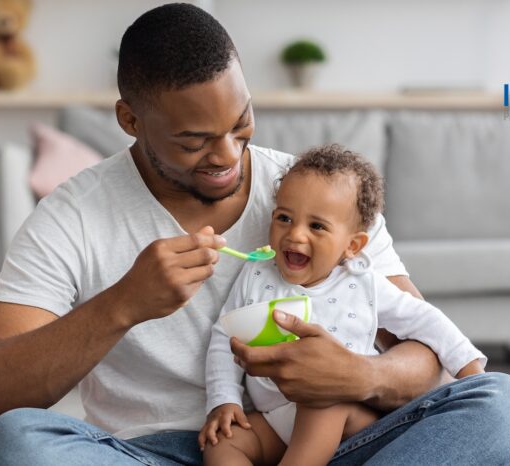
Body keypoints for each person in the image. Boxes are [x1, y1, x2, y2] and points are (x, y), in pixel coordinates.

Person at [0, 3, 510, 465]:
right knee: (18, 444)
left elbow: (424, 353)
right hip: (149, 453)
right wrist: (122, 305)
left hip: (332, 439)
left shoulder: (314, 194)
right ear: (130, 120)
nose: (227, 156)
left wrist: (358, 375)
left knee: (504, 407)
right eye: (194, 141)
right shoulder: (73, 217)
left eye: (240, 125)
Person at [200, 145, 487, 466]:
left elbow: (425, 320)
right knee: (223, 441)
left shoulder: (363, 283)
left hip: (344, 417)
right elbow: (225, 338)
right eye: (284, 217)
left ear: (352, 245)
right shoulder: (256, 273)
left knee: (322, 400)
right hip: (275, 420)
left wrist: (470, 371)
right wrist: (224, 401)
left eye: (317, 226)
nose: (294, 234)